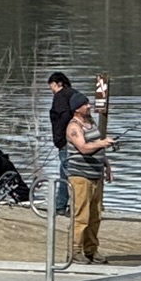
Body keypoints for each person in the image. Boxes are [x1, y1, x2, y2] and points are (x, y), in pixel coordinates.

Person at [64, 96, 117, 264]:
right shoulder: (74, 127)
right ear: (77, 109)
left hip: (96, 175)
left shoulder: (91, 123)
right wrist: (102, 143)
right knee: (81, 216)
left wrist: (106, 164)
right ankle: (75, 251)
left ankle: (91, 249)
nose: (89, 106)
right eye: (85, 104)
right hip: (80, 177)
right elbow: (84, 148)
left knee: (95, 215)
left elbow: (96, 144)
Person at [46, 72, 81, 215]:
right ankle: (75, 204)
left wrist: (59, 139)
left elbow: (62, 117)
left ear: (58, 83)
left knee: (65, 172)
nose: (52, 90)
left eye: (52, 87)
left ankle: (61, 205)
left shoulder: (60, 97)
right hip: (79, 140)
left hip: (66, 141)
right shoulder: (75, 95)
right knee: (74, 171)